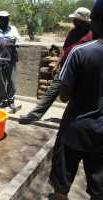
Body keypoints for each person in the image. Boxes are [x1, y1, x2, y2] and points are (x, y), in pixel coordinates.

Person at [49, 1, 103, 199]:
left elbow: (64, 95)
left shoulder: (81, 52)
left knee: (61, 185)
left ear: (95, 21)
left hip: (75, 128)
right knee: (98, 190)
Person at [19, 7, 92, 124]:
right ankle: (33, 116)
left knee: (75, 97)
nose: (73, 22)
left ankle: (75, 121)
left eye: (76, 20)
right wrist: (57, 64)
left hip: (79, 72)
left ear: (83, 21)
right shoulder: (73, 32)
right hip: (64, 69)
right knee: (51, 92)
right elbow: (64, 49)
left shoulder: (91, 35)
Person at [0, 10, 21, 110]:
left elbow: (18, 41)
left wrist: (11, 43)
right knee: (0, 81)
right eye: (3, 18)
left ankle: (11, 100)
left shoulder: (13, 29)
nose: (6, 20)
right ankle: (2, 99)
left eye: (7, 18)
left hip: (11, 59)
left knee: (12, 81)